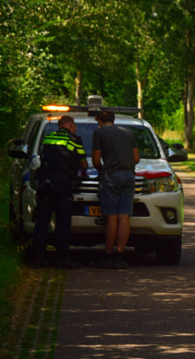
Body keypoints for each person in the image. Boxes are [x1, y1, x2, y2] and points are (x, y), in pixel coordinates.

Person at [30, 115, 88, 268]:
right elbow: (84, 165)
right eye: (74, 126)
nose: (75, 129)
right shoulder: (75, 140)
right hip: (62, 184)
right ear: (69, 124)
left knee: (42, 220)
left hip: (44, 182)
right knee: (63, 221)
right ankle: (62, 259)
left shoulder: (48, 138)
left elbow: (44, 157)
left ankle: (37, 258)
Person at [91, 109, 139, 269]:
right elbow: (136, 158)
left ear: (99, 120)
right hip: (129, 176)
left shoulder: (99, 133)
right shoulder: (128, 133)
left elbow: (96, 160)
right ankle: (120, 255)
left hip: (111, 176)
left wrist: (102, 170)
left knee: (112, 218)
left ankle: (108, 255)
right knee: (124, 217)